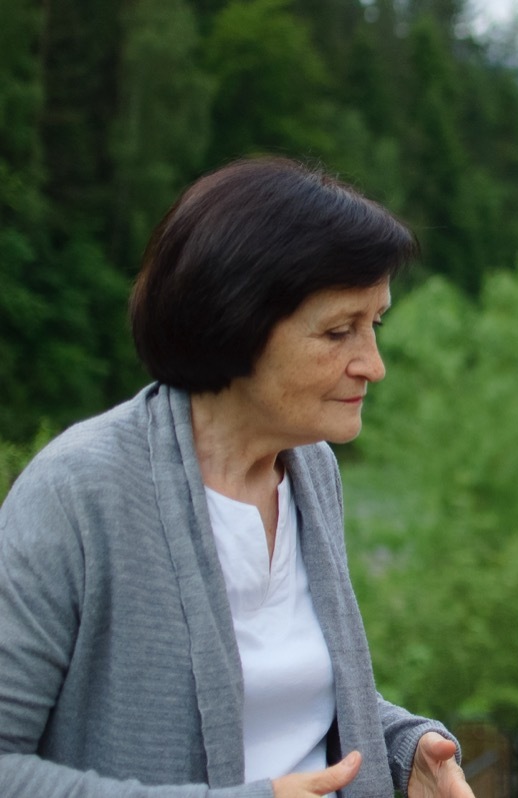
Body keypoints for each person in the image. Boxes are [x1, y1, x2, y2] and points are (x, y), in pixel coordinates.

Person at [0, 157, 474, 798]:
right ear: (235, 320)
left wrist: (401, 747)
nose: (373, 364)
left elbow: (284, 699)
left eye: (375, 325)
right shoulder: (75, 494)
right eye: (340, 331)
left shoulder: (310, 469)